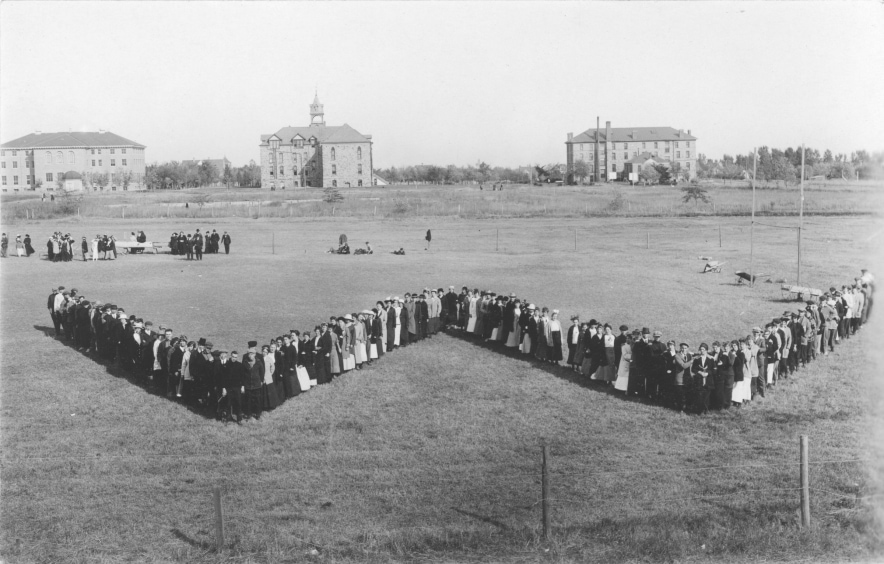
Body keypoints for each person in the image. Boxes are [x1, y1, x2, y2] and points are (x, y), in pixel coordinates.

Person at [691, 343, 715, 414]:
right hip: (699, 380)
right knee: (699, 395)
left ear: (707, 350)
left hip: (708, 380)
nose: (702, 351)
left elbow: (714, 369)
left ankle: (706, 410)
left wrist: (708, 373)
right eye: (701, 349)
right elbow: (693, 369)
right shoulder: (697, 359)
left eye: (703, 350)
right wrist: (699, 372)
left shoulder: (711, 359)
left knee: (707, 395)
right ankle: (699, 410)